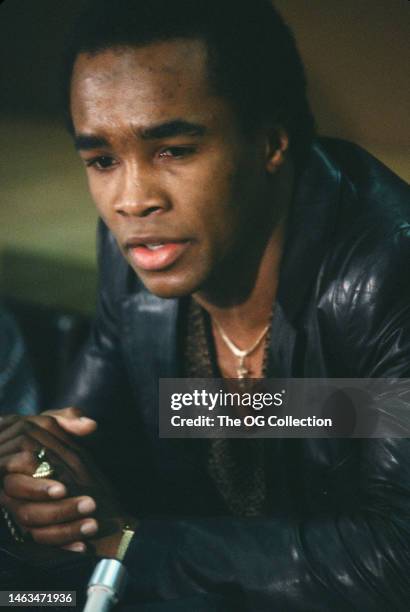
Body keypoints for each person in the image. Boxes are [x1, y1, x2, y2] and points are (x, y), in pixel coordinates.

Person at [0, 0, 410, 609]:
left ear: (271, 141)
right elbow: (92, 441)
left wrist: (130, 546)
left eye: (174, 150)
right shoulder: (142, 250)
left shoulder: (387, 271)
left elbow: (394, 555)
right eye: (102, 160)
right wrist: (36, 479)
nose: (131, 201)